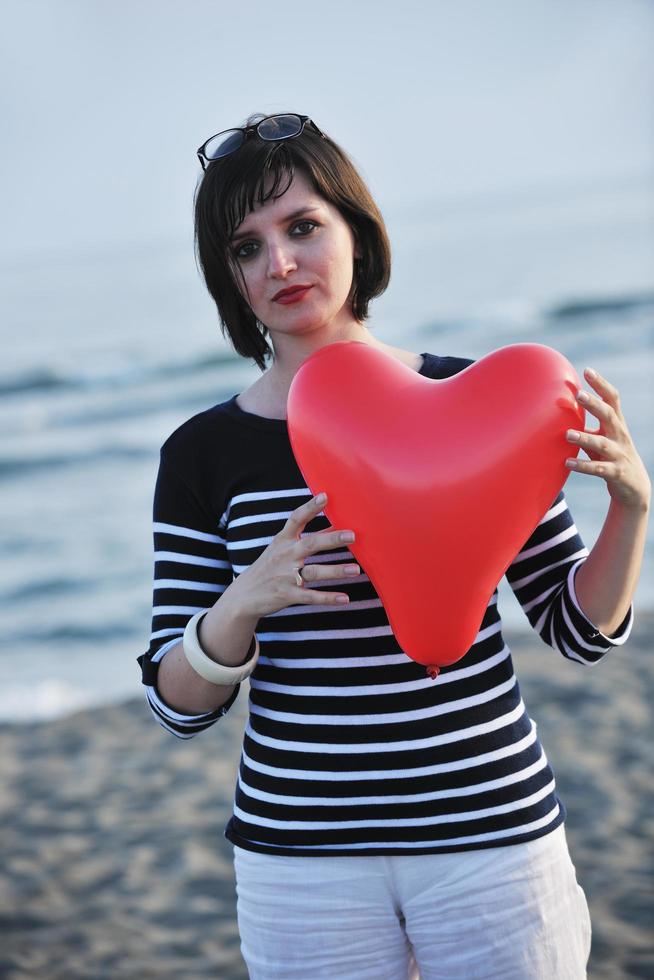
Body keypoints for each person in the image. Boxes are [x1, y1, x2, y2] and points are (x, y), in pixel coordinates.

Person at [137, 113, 650, 979]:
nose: (281, 264)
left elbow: (577, 632)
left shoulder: (482, 400)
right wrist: (243, 601)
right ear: (229, 278)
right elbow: (176, 703)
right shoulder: (202, 452)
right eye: (246, 248)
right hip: (300, 863)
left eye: (303, 227)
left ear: (357, 230)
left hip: (492, 837)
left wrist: (631, 511)